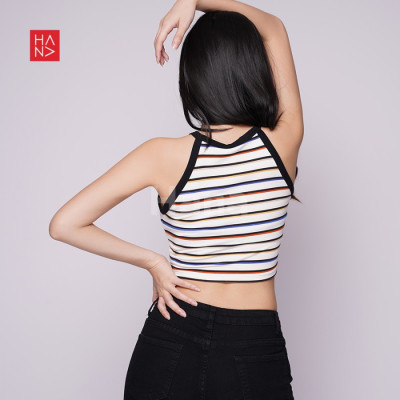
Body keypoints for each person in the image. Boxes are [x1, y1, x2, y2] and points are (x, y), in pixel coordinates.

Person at [49, 0, 303, 398]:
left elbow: (64, 224)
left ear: (193, 78)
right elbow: (273, 27)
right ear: (254, 69)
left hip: (173, 335)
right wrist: (194, 1)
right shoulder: (283, 142)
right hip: (253, 345)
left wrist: (153, 262)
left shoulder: (161, 154)